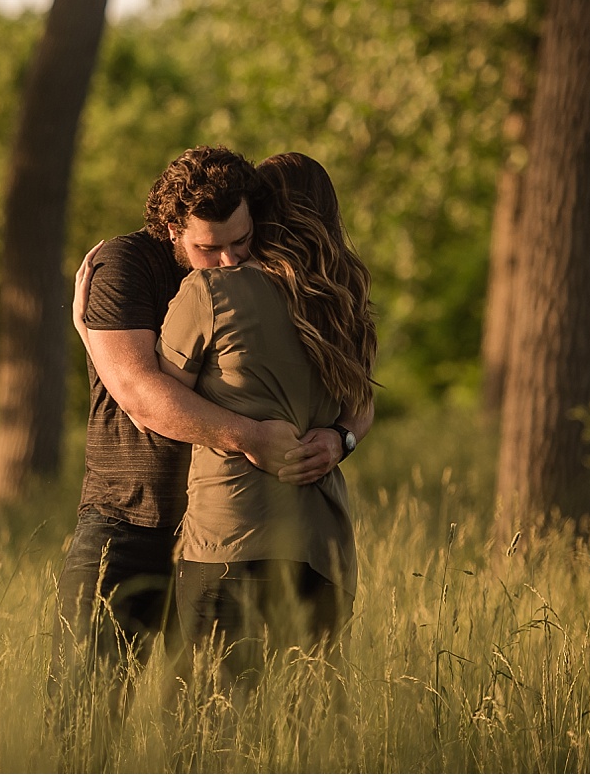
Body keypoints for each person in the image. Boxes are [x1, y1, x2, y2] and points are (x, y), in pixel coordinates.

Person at [47, 147, 361, 737]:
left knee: (209, 729)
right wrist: (91, 331)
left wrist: (340, 436)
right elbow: (141, 397)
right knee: (86, 721)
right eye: (208, 247)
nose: (226, 257)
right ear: (172, 229)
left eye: (241, 240)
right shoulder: (125, 266)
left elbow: (356, 392)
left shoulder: (265, 283)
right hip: (133, 522)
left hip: (220, 540)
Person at [156, 152, 377, 690]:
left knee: (208, 739)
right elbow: (362, 405)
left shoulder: (210, 292)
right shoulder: (343, 303)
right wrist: (341, 438)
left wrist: (87, 326)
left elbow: (152, 399)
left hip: (232, 541)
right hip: (324, 550)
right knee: (297, 737)